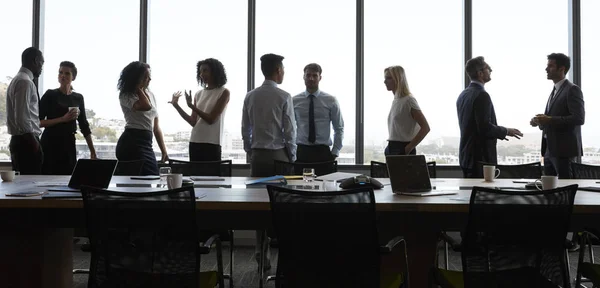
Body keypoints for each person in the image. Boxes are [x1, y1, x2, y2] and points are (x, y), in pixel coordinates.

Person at [241, 53, 296, 270]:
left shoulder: (250, 96)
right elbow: (290, 130)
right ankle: (285, 254)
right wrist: (291, 156)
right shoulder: (284, 96)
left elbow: (245, 128)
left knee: (258, 206)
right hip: (279, 156)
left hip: (258, 155)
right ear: (278, 70)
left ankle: (260, 252)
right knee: (283, 206)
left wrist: (250, 150)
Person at [457, 56, 522, 178]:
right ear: (480, 73)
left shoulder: (463, 95)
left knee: (470, 194)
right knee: (484, 195)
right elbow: (484, 127)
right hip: (481, 158)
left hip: (467, 157)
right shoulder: (482, 95)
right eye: (488, 68)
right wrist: (506, 131)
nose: (491, 70)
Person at [530, 53, 584, 179]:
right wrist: (540, 121)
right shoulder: (555, 90)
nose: (546, 69)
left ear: (562, 69)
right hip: (549, 150)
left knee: (566, 190)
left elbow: (579, 118)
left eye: (550, 66)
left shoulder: (572, 90)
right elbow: (552, 120)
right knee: (550, 192)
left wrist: (549, 119)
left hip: (564, 151)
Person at [39, 61, 97, 175]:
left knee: (68, 178)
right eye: (60, 72)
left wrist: (92, 151)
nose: (63, 75)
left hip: (68, 143)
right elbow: (38, 122)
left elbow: (84, 125)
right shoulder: (50, 95)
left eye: (67, 73)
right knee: (48, 178)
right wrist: (62, 119)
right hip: (50, 143)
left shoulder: (78, 98)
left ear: (73, 77)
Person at [170, 58, 230, 161]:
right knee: (194, 175)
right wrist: (176, 105)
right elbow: (193, 122)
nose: (202, 74)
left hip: (212, 142)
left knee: (211, 176)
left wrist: (192, 106)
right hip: (195, 141)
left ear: (215, 71)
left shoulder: (224, 92)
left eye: (205, 70)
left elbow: (211, 119)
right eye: (200, 71)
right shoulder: (198, 94)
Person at [115, 61, 168, 175]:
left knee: (150, 176)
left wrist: (164, 150)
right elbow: (145, 106)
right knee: (144, 177)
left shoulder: (151, 95)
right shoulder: (126, 95)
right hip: (132, 140)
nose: (149, 79)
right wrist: (138, 88)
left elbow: (156, 127)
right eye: (145, 77)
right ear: (136, 78)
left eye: (149, 76)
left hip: (146, 141)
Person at [292, 63, 344, 163]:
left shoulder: (331, 100)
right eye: (308, 75)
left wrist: (335, 152)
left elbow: (339, 127)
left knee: (325, 179)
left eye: (315, 75)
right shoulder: (294, 101)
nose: (311, 78)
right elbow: (288, 128)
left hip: (323, 152)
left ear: (320, 78)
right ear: (304, 77)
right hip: (302, 151)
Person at [6, 47, 45, 174]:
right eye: (41, 63)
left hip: (20, 141)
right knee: (30, 188)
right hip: (26, 142)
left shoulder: (17, 79)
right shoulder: (25, 82)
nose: (42, 68)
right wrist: (33, 142)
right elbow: (22, 118)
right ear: (35, 61)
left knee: (22, 188)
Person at [383, 65, 430, 156]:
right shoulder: (396, 101)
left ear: (398, 79)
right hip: (392, 146)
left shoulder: (408, 100)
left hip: (402, 148)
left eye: (388, 78)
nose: (385, 81)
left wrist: (408, 148)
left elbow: (425, 128)